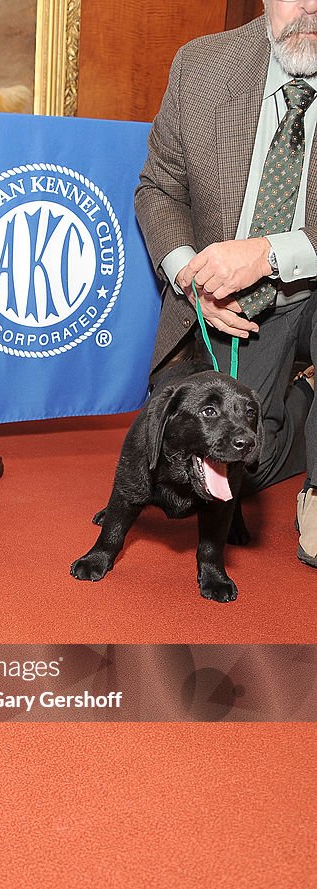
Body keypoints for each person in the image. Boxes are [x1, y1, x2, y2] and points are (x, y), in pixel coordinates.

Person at [135, 0, 317, 569]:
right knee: (239, 464)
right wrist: (196, 278)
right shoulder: (202, 66)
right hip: (238, 305)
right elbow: (156, 190)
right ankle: (305, 398)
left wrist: (266, 254)